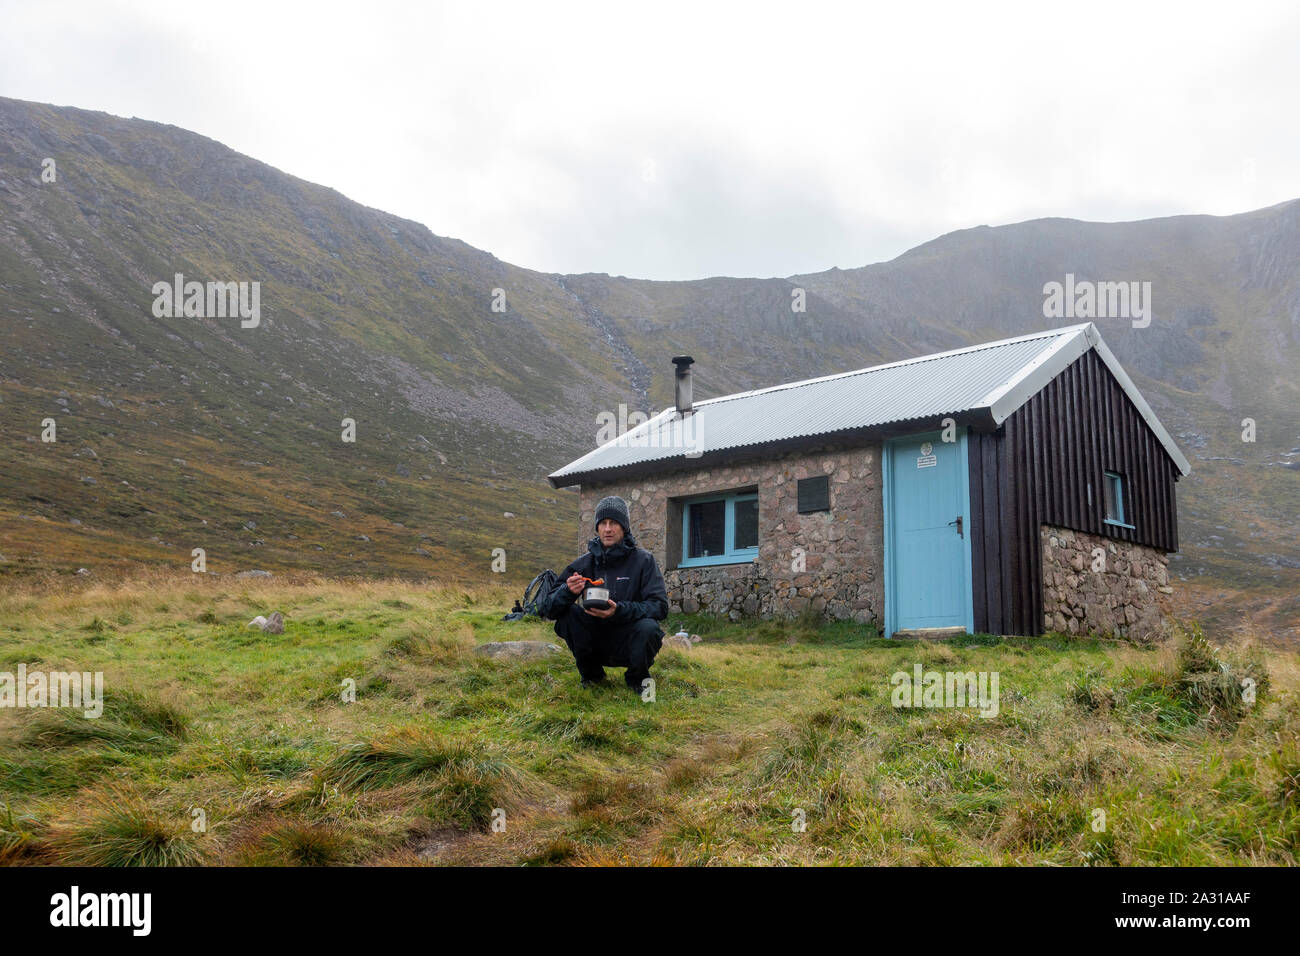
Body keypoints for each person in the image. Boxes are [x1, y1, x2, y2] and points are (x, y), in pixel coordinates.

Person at [538, 495, 668, 691]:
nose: (608, 529)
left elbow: (660, 607)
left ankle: (637, 679)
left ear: (624, 527)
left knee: (649, 627)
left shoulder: (644, 561)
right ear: (597, 528)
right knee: (568, 615)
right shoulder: (583, 564)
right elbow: (547, 609)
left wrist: (619, 610)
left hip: (629, 639)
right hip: (594, 639)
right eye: (603, 523)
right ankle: (592, 677)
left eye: (614, 523)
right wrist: (567, 591)